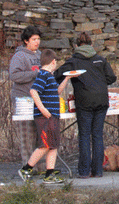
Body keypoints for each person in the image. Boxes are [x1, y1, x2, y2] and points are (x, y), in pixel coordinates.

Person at [54, 32, 117, 179]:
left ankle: (84, 171)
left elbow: (56, 75)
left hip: (84, 102)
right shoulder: (100, 60)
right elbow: (111, 78)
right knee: (97, 135)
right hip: (102, 101)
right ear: (92, 45)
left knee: (84, 135)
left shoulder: (73, 61)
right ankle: (98, 171)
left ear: (76, 46)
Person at [18, 49, 79, 184]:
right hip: (45, 116)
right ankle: (26, 168)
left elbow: (57, 91)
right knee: (45, 145)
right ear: (53, 61)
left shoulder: (50, 76)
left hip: (53, 116)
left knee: (53, 145)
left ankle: (49, 173)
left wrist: (67, 78)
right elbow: (33, 91)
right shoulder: (43, 75)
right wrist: (43, 109)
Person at [9, 26, 42, 166]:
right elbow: (14, 75)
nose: (37, 42)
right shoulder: (19, 56)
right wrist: (35, 74)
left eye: (38, 39)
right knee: (27, 136)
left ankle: (41, 166)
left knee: (40, 135)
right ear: (26, 41)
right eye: (34, 39)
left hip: (39, 100)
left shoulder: (40, 55)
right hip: (23, 100)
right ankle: (28, 168)